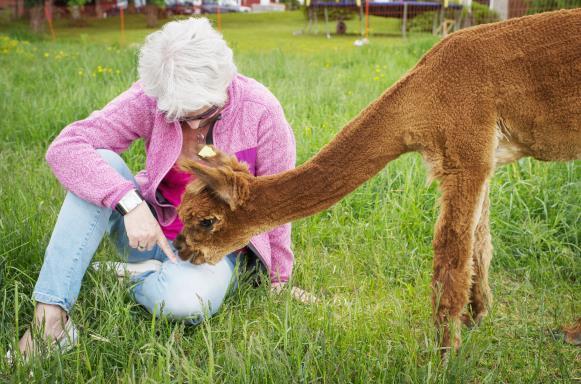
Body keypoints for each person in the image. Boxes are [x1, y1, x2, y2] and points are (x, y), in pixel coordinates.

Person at [16, 17, 314, 358]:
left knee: (188, 304)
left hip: (213, 250)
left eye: (202, 113)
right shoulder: (150, 98)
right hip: (146, 231)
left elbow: (279, 202)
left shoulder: (261, 112)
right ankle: (50, 318)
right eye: (179, 114)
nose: (190, 123)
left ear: (224, 84)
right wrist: (129, 202)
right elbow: (66, 147)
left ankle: (135, 276)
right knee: (98, 161)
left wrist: (279, 280)